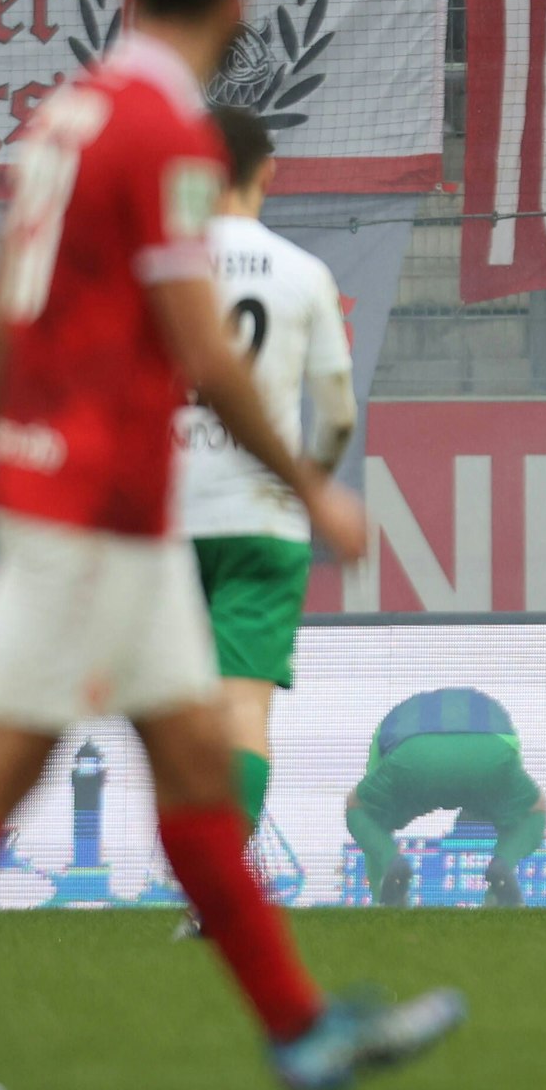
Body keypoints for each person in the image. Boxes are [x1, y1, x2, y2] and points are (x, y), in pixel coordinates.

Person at [0, 0, 462, 1090]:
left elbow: (12, 311)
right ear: (237, 4)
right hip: (94, 503)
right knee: (4, 770)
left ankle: (301, 1033)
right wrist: (310, 485)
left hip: (112, 506)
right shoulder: (161, 131)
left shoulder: (69, 114)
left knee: (198, 773)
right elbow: (202, 351)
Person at [172, 105, 357, 935]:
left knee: (180, 720)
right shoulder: (303, 272)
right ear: (267, 171)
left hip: (169, 516)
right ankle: (218, 897)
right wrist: (309, 484)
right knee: (245, 711)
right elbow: (340, 416)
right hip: (263, 517)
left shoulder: (158, 272)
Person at [346, 688, 546, 907]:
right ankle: (502, 870)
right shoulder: (489, 708)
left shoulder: (395, 718)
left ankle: (392, 866)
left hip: (414, 755)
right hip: (488, 750)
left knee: (357, 808)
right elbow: (513, 784)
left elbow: (370, 810)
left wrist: (381, 891)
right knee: (534, 810)